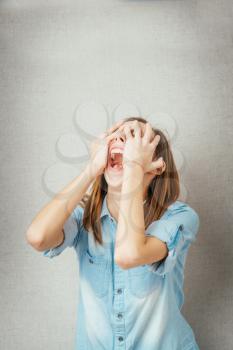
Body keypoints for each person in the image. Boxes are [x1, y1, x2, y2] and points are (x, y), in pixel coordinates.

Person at [26, 116, 200, 350]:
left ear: (158, 166)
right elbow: (38, 237)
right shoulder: (85, 217)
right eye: (116, 137)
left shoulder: (179, 217)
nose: (120, 140)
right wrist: (91, 169)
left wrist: (134, 169)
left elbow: (129, 255)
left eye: (132, 138)